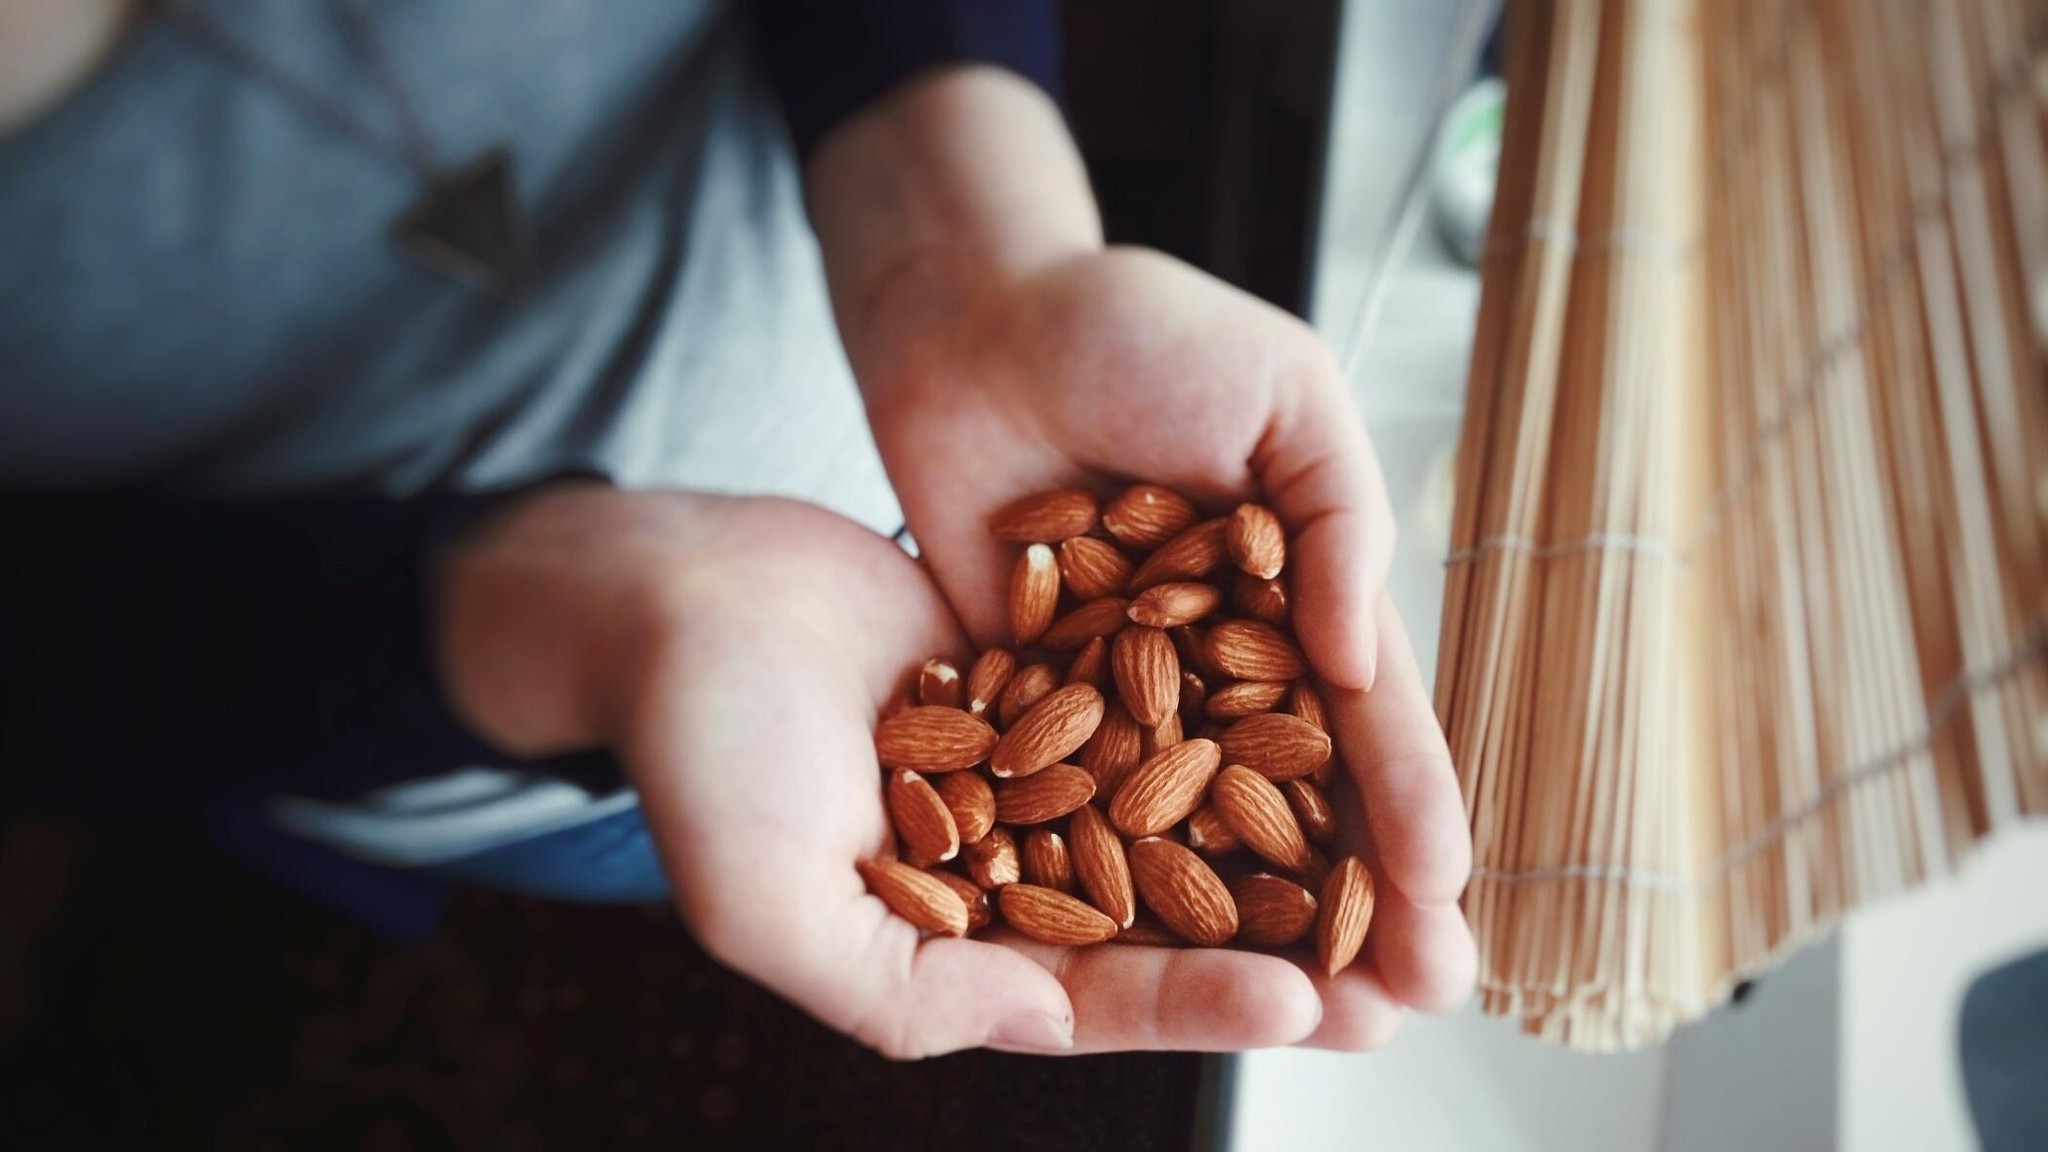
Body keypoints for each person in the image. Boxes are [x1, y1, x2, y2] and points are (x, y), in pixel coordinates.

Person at [1, 0, 1475, 1059]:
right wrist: (592, 618)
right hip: (540, 710)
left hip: (941, 407)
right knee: (677, 846)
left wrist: (970, 251)